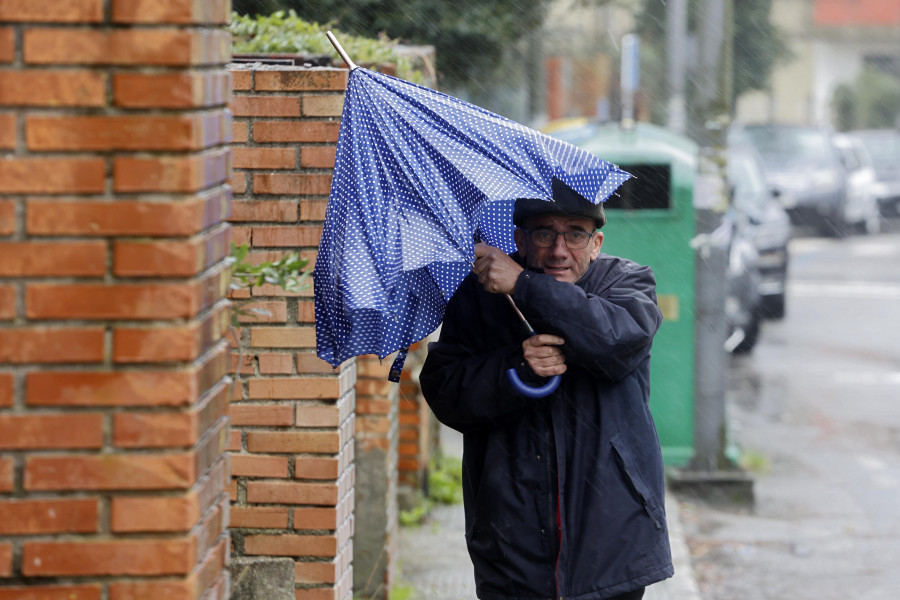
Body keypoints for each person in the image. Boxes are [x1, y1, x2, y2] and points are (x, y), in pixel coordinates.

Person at [419, 177, 673, 600]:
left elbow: (612, 342)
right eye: (544, 233)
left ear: (596, 243)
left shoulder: (626, 285)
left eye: (575, 234)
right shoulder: (481, 296)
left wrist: (524, 285)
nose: (559, 250)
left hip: (612, 543)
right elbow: (446, 393)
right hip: (510, 542)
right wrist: (516, 369)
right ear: (519, 239)